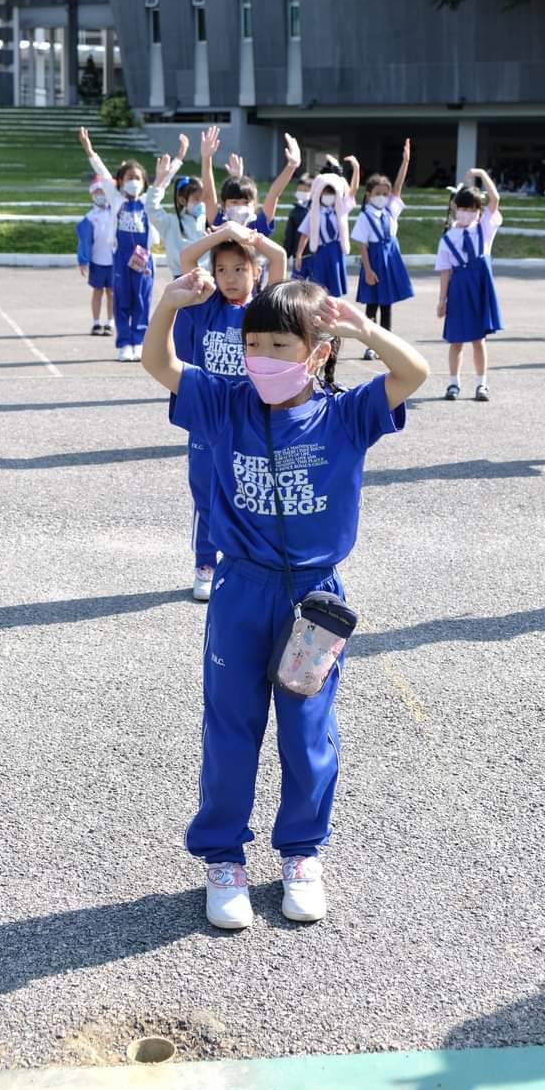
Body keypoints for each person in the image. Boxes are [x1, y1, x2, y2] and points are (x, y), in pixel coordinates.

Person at [142, 273, 428, 929]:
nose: (263, 358)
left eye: (280, 345)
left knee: (307, 730)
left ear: (317, 352)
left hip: (314, 599)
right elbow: (159, 364)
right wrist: (168, 305)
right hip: (241, 589)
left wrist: (364, 329)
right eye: (254, 345)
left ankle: (301, 852)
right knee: (231, 726)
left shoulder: (346, 414)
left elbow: (413, 372)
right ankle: (223, 858)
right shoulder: (225, 403)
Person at [175, 221, 287, 601]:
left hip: (251, 419)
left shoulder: (264, 311)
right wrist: (223, 234)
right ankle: (205, 564)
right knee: (206, 493)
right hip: (209, 417)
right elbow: (188, 258)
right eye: (222, 270)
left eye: (240, 269)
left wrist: (252, 239)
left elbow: (279, 258)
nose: (230, 277)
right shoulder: (207, 307)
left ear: (256, 272)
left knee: (250, 493)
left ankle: (247, 563)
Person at [79, 127, 155, 362]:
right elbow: (102, 172)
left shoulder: (148, 201)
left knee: (141, 300)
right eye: (129, 178)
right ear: (120, 181)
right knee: (122, 300)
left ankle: (138, 342)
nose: (133, 182)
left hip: (144, 259)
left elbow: (163, 183)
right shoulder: (116, 199)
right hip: (121, 258)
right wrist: (89, 150)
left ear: (144, 182)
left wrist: (179, 159)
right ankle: (124, 344)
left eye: (137, 178)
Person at [435, 169, 504, 402]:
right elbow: (445, 271)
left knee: (478, 340)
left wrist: (482, 175)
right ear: (455, 208)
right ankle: (453, 383)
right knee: (455, 340)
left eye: (472, 209)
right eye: (463, 209)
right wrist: (442, 300)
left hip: (480, 287)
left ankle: (482, 384)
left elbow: (495, 199)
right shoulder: (447, 238)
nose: (467, 213)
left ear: (479, 211)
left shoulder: (483, 228)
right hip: (459, 289)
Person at [352, 140, 414, 360]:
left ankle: (387, 345)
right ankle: (371, 345)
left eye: (385, 194)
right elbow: (363, 246)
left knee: (387, 304)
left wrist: (405, 162)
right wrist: (368, 270)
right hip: (375, 261)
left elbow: (397, 188)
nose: (383, 197)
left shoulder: (390, 211)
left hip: (390, 261)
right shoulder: (365, 216)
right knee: (372, 305)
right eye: (378, 193)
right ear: (368, 195)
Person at [201, 125, 301, 235]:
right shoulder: (218, 224)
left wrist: (291, 167)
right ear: (224, 205)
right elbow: (208, 196)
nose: (240, 207)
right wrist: (206, 158)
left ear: (254, 204)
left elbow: (274, 194)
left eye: (246, 202)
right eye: (234, 202)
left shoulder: (258, 226)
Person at [145, 133, 208, 279]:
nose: (201, 204)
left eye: (204, 199)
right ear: (182, 201)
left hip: (208, 278)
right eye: (196, 199)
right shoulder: (170, 223)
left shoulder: (209, 221)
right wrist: (160, 180)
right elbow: (151, 207)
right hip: (181, 278)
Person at [294, 163, 359, 297]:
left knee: (335, 286)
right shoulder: (314, 212)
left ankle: (335, 307)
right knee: (320, 286)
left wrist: (356, 168)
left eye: (331, 193)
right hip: (321, 251)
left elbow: (353, 191)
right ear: (319, 193)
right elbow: (305, 233)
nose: (328, 196)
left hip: (336, 250)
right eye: (325, 192)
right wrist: (299, 254)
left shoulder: (341, 209)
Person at [76, 176, 115, 336]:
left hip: (114, 261)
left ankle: (110, 322)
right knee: (97, 291)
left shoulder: (116, 213)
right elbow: (83, 240)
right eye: (98, 192)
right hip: (97, 261)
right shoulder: (90, 217)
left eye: (104, 192)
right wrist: (83, 260)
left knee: (112, 292)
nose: (101, 195)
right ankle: (96, 322)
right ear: (92, 195)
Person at [284, 173, 312, 277]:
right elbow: (289, 235)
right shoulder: (294, 212)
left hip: (315, 255)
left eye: (305, 190)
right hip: (299, 257)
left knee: (317, 284)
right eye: (300, 190)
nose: (302, 193)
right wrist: (286, 254)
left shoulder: (317, 209)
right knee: (298, 283)